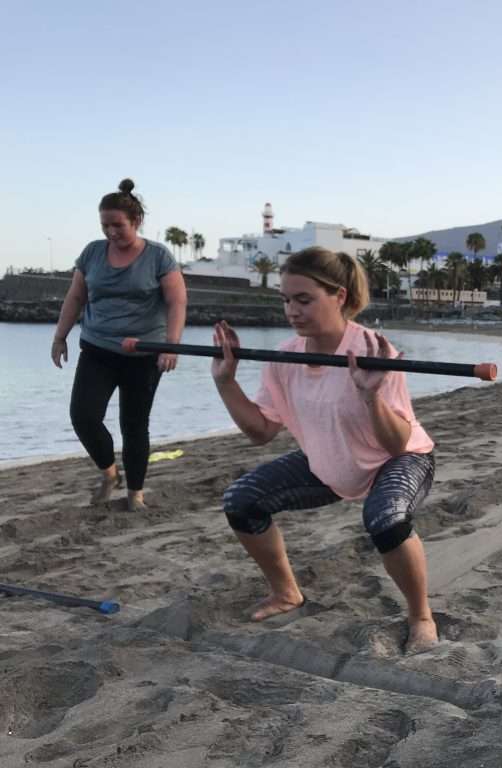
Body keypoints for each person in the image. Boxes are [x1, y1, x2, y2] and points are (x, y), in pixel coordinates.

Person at [211, 246, 438, 652]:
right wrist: (226, 381)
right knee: (241, 500)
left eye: (304, 299)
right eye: (286, 300)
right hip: (330, 461)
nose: (292, 311)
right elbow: (261, 431)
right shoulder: (283, 358)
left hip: (398, 457)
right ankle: (287, 593)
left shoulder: (374, 350)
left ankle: (421, 615)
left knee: (385, 518)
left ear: (340, 297)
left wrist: (370, 396)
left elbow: (396, 443)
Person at [51, 179, 186, 512]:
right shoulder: (93, 252)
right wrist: (60, 335)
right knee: (83, 416)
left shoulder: (158, 256)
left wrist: (171, 346)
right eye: (105, 225)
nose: (111, 231)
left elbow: (177, 301)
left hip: (143, 354)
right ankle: (109, 473)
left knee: (134, 425)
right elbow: (76, 296)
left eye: (118, 225)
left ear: (135, 222)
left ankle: (135, 494)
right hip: (97, 349)